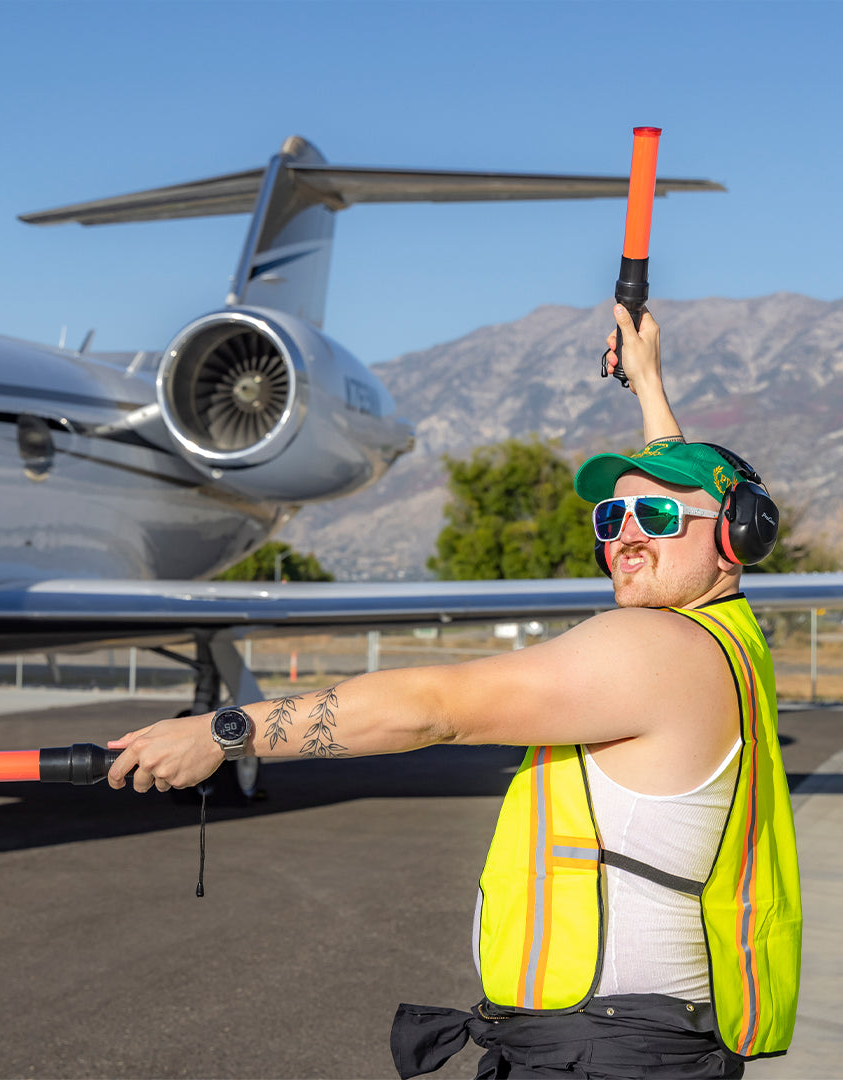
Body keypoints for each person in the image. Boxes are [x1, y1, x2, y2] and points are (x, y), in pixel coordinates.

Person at [107, 304, 800, 1079]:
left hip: (602, 1054)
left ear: (738, 538)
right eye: (614, 514)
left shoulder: (653, 646)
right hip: (636, 1041)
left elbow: (432, 708)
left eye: (659, 514)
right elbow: (689, 503)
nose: (625, 536)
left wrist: (223, 733)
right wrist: (648, 385)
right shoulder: (729, 638)